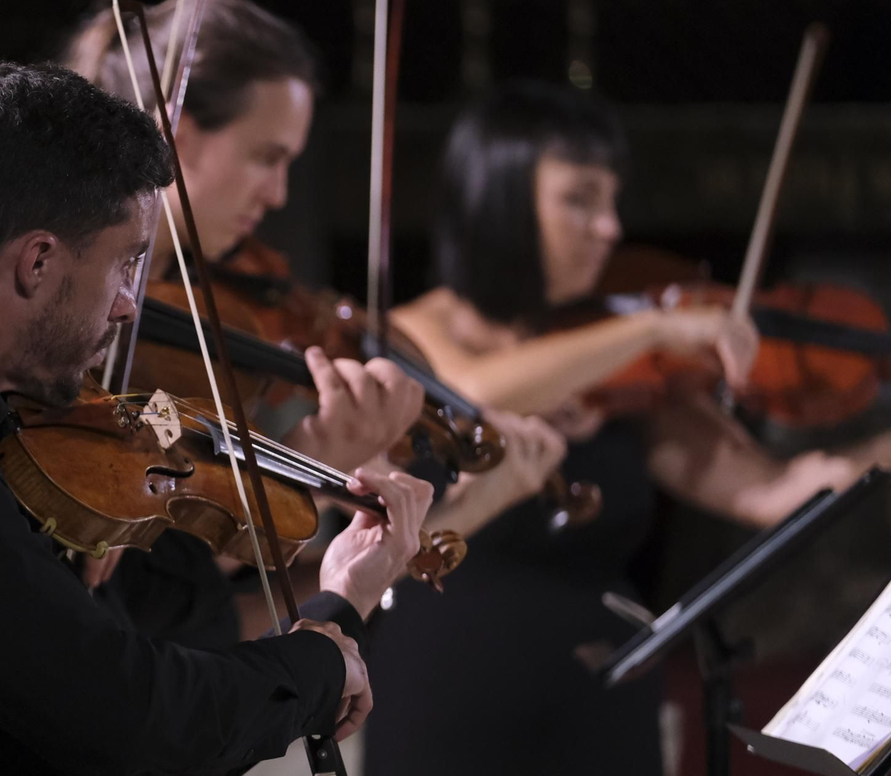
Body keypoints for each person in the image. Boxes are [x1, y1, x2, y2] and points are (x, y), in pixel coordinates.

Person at [0, 62, 437, 774]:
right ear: (39, 261)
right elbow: (135, 717)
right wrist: (320, 662)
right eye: (125, 265)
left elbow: (123, 655)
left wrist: (342, 598)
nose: (128, 305)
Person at [363, 80, 891, 776]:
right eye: (580, 199)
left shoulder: (631, 370)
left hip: (601, 694)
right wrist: (651, 324)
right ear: (500, 196)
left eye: (612, 201)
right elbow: (476, 389)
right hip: (446, 694)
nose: (610, 227)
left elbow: (776, 492)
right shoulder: (408, 333)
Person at [64, 0, 569, 632]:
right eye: (266, 158)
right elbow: (153, 581)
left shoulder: (193, 312)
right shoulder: (79, 320)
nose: (276, 194)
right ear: (179, 135)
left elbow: (196, 583)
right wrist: (307, 455)